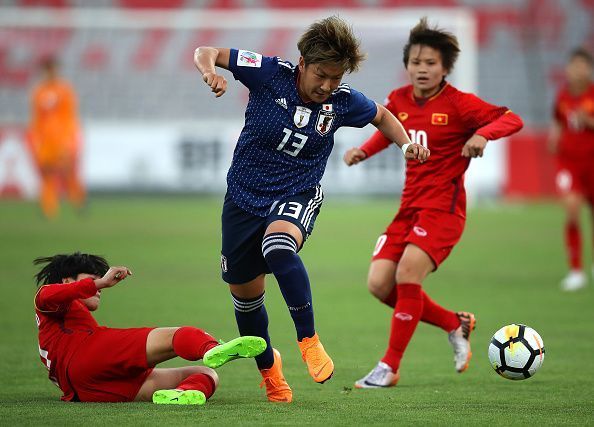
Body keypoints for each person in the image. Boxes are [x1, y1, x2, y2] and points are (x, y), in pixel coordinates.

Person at [193, 16, 429, 403]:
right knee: (246, 299)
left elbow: (383, 116)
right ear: (302, 63)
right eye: (321, 75)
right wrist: (209, 72)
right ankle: (271, 372)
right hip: (242, 198)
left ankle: (309, 339)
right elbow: (208, 52)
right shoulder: (269, 73)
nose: (327, 86)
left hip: (298, 192)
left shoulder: (342, 101)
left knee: (278, 246)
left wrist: (405, 146)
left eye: (335, 78)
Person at [343, 18, 523, 388]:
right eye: (416, 62)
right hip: (408, 208)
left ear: (445, 68)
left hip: (444, 209)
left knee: (407, 274)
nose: (422, 70)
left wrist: (483, 136)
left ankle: (388, 367)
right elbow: (390, 130)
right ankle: (452, 323)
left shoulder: (459, 104)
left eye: (430, 64)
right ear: (407, 64)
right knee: (379, 284)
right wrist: (364, 149)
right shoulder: (399, 99)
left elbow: (511, 119)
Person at [34, 252, 267, 404]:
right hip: (87, 354)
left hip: (88, 391)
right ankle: (212, 347)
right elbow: (45, 294)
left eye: (99, 281)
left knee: (206, 374)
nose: (99, 286)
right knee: (178, 334)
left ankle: (181, 394)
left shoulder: (62, 322)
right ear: (66, 281)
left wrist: (93, 283)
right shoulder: (50, 301)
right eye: (92, 279)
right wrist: (101, 281)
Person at [548, 48, 594, 291]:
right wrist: (554, 138)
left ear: (589, 69)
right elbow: (558, 120)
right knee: (572, 210)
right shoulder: (563, 95)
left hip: (592, 162)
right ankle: (576, 270)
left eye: (582, 66)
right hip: (569, 163)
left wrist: (589, 121)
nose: (577, 70)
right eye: (573, 65)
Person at [29, 56, 85, 219]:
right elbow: (36, 118)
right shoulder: (38, 92)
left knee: (68, 172)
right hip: (46, 140)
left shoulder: (65, 90)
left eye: (53, 68)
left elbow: (71, 116)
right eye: (48, 69)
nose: (51, 72)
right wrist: (36, 137)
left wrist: (70, 138)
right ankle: (49, 208)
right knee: (47, 173)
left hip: (63, 138)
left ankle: (78, 202)